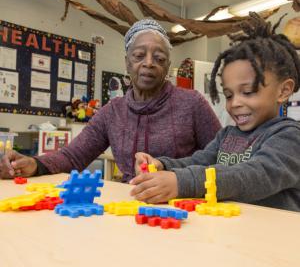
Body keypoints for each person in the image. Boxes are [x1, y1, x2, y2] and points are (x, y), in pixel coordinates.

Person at [0, 19, 221, 182]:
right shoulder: (112, 112)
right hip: (128, 206)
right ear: (127, 62)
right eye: (139, 55)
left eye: (159, 58)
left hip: (183, 209)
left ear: (167, 65)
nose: (149, 63)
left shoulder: (191, 103)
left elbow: (223, 157)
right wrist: (34, 164)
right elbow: (73, 156)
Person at [130, 13, 300, 211]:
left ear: (283, 90)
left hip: (274, 237)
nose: (235, 103)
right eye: (228, 95)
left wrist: (183, 182)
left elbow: (250, 176)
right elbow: (197, 161)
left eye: (247, 92)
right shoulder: (226, 135)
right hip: (233, 231)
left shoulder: (290, 137)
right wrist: (163, 166)